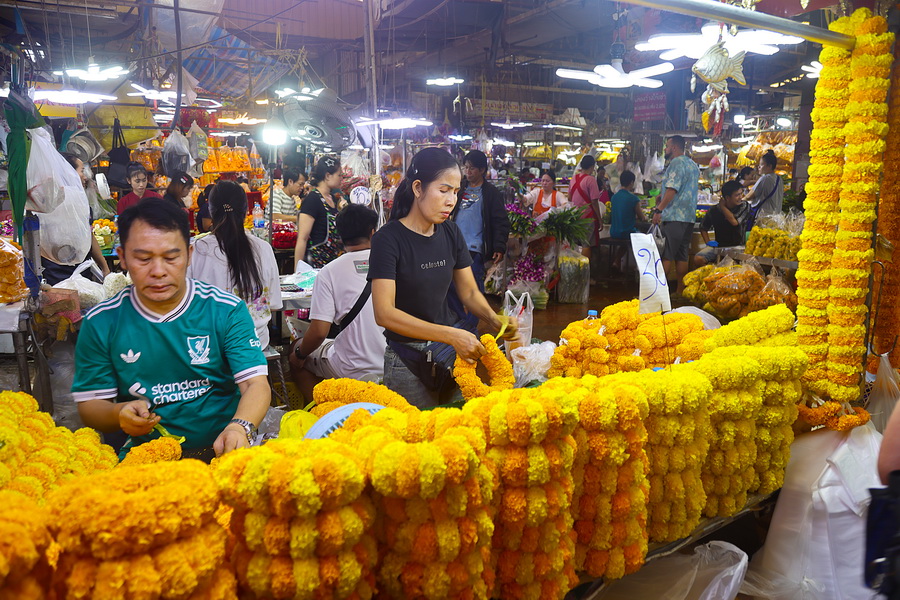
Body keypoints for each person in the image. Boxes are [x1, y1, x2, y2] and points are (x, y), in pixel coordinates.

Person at [71, 199, 270, 459]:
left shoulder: (225, 310)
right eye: (143, 259)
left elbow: (256, 384)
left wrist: (239, 427)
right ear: (122, 257)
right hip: (147, 457)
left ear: (189, 254)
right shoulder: (101, 322)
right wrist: (118, 414)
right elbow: (91, 405)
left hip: (223, 451)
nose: (158, 271)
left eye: (171, 257)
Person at [369, 148, 515, 408]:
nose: (452, 201)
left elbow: (469, 292)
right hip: (408, 362)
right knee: (414, 431)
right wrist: (451, 335)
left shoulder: (450, 232)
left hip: (449, 357)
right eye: (444, 190)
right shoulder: (388, 240)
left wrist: (494, 319)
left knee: (453, 428)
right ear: (418, 188)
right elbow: (385, 313)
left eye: (456, 192)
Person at [289, 205, 385, 401]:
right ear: (373, 232)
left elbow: (319, 332)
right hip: (391, 364)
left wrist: (299, 354)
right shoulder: (392, 264)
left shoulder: (329, 272)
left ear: (340, 235)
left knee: (295, 350)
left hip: (350, 369)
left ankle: (322, 412)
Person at [188, 181, 282, 349]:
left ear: (211, 211)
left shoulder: (195, 250)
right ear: (246, 212)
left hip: (206, 347)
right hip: (256, 344)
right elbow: (273, 304)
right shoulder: (263, 248)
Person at [42, 153, 110, 285]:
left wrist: (104, 267)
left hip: (80, 271)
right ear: (69, 172)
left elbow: (88, 236)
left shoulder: (79, 201)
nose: (85, 176)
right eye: (82, 171)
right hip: (56, 274)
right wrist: (104, 267)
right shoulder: (49, 204)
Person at [452, 150, 511, 291]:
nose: (467, 171)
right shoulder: (459, 188)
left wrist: (499, 246)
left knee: (472, 288)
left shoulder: (491, 193)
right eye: (466, 167)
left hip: (474, 248)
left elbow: (500, 221)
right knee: (453, 288)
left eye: (472, 168)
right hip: (454, 246)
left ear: (482, 170)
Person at [652, 135, 700, 295]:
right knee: (682, 256)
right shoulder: (692, 165)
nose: (665, 149)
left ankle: (658, 294)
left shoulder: (676, 163)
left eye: (667, 146)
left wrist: (659, 209)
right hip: (688, 218)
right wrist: (662, 195)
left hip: (674, 217)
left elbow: (672, 189)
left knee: (666, 255)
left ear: (674, 147)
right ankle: (680, 292)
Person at [295, 157, 345, 270]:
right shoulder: (312, 200)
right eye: (339, 175)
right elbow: (302, 238)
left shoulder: (333, 199)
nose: (341, 178)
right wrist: (297, 272)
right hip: (316, 264)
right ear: (328, 176)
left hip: (332, 264)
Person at [694, 180, 749, 267]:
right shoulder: (714, 210)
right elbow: (703, 227)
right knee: (698, 259)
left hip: (739, 248)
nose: (740, 197)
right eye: (737, 195)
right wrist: (708, 242)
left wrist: (722, 206)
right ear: (727, 198)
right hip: (719, 247)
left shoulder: (744, 206)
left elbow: (734, 222)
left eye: (741, 194)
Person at [569, 155, 607, 261]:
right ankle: (584, 268)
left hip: (575, 216)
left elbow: (569, 198)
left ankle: (575, 266)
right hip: (587, 216)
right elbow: (594, 201)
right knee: (586, 244)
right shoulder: (590, 180)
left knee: (576, 244)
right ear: (592, 166)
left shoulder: (574, 178)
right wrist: (600, 220)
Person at [743, 149, 783, 228]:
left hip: (764, 219)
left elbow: (749, 196)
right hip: (776, 218)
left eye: (761, 165)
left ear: (769, 166)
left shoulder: (765, 178)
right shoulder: (779, 179)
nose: (759, 167)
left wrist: (739, 201)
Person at [609, 170, 646, 240]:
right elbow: (642, 218)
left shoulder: (614, 197)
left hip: (614, 232)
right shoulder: (634, 198)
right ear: (631, 182)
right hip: (628, 233)